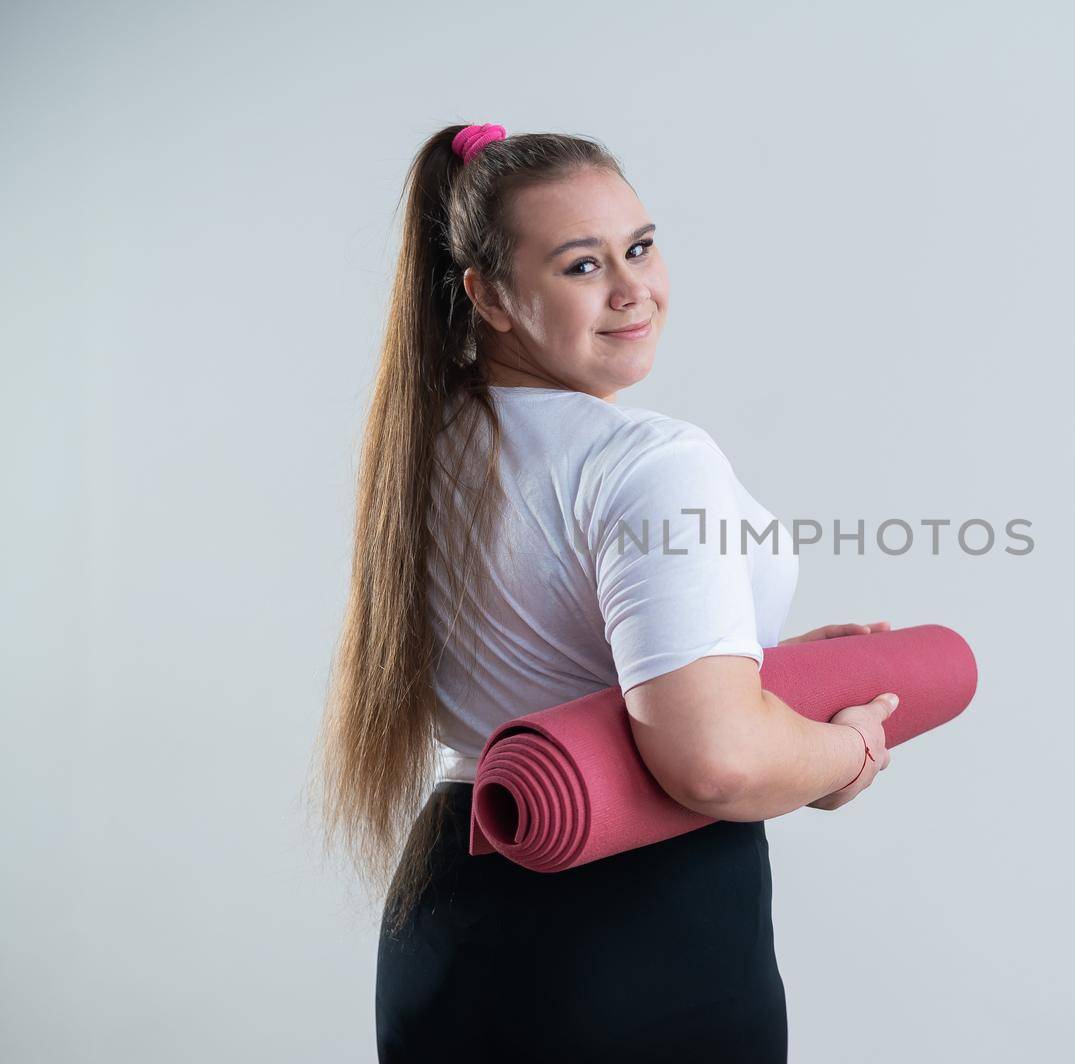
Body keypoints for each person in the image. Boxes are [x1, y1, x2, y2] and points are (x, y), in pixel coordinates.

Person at [309, 123, 900, 1061]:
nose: (634, 290)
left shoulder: (422, 442)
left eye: (640, 246)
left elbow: (572, 647)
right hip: (635, 940)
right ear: (491, 296)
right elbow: (714, 765)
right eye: (582, 266)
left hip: (449, 917)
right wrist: (842, 749)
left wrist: (756, 667)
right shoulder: (651, 462)